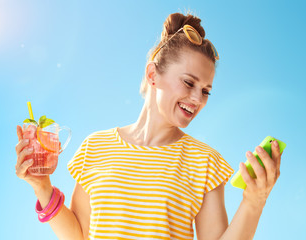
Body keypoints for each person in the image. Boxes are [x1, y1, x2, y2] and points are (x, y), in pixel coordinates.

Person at [15, 12, 282, 240]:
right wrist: (42, 187)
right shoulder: (95, 147)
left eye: (206, 91)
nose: (197, 99)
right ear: (153, 74)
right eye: (189, 83)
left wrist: (254, 201)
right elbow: (80, 234)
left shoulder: (205, 163)